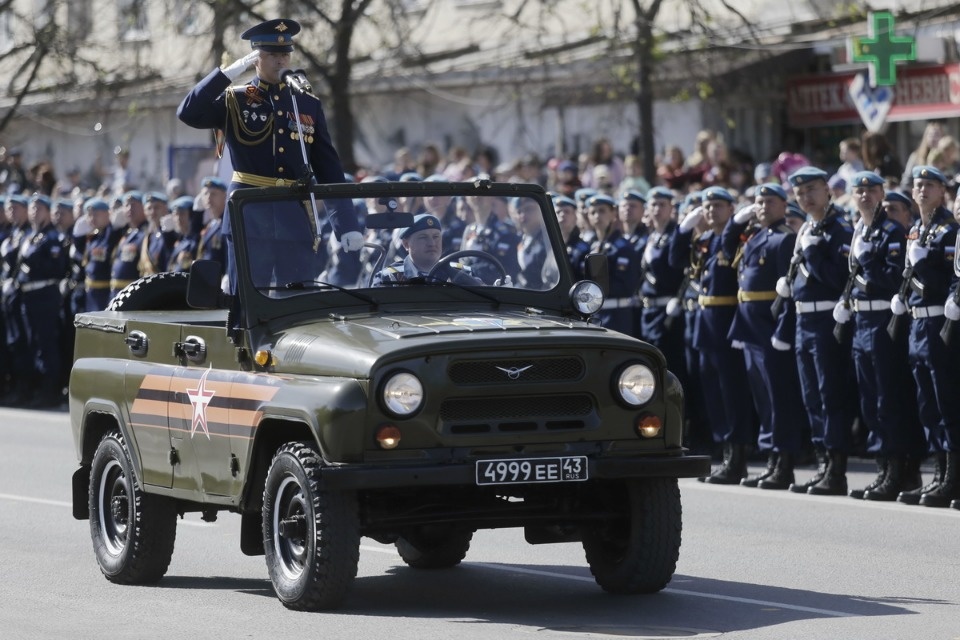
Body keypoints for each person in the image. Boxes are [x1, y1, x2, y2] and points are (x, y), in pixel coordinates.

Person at [176, 18, 362, 289]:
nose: (281, 60)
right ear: (256, 59)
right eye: (272, 54)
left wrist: (346, 224)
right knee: (249, 299)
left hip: (294, 218)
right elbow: (188, 112)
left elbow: (328, 168)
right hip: (249, 216)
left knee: (298, 298)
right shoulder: (236, 99)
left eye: (285, 54)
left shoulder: (305, 102)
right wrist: (225, 75)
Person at [832, 176, 925, 500]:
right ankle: (884, 468)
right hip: (861, 321)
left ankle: (898, 470)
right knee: (870, 401)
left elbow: (892, 278)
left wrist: (868, 259)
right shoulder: (861, 229)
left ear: (881, 194)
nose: (865, 196)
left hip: (883, 321)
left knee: (888, 399)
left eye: (872, 190)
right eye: (859, 191)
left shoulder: (891, 231)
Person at [724, 184, 807, 489]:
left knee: (778, 399)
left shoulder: (785, 238)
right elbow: (726, 249)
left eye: (770, 202)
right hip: (750, 327)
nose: (763, 207)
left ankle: (784, 463)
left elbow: (790, 292)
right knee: (763, 399)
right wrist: (736, 221)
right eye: (759, 202)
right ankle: (772, 458)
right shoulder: (757, 236)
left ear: (784, 205)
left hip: (769, 329)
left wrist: (783, 331)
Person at [779, 166, 856, 495]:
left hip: (827, 319)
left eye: (811, 189)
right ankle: (824, 464)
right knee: (811, 397)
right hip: (804, 321)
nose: (805, 197)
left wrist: (812, 252)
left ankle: (836, 471)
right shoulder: (808, 228)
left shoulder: (839, 228)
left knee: (830, 395)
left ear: (827, 189)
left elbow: (841, 278)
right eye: (799, 192)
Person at [672, 187, 754, 483]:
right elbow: (676, 260)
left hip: (726, 322)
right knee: (713, 393)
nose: (711, 211)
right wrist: (683, 230)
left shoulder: (737, 238)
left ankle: (738, 457)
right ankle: (725, 452)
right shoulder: (704, 240)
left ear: (731, 209)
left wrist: (735, 225)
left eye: (718, 205)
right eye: (708, 206)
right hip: (705, 324)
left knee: (732, 393)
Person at [889, 166, 960, 507]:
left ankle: (952, 479)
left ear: (941, 191)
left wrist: (925, 262)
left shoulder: (949, 230)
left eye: (930, 185)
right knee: (927, 405)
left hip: (938, 323)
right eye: (918, 185)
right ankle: (938, 474)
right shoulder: (917, 228)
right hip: (917, 325)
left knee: (946, 404)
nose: (922, 190)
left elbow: (947, 283)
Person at [16, 194, 68, 407]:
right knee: (33, 343)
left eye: (39, 209)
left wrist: (32, 265)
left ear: (47, 212)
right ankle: (38, 388)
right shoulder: (31, 236)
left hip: (44, 294)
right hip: (28, 295)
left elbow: (57, 268)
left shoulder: (51, 238)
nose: (35, 212)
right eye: (32, 208)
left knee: (46, 344)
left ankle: (49, 391)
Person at [372, 214, 479, 286]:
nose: (432, 243)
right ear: (406, 244)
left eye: (436, 237)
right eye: (423, 237)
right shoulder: (388, 278)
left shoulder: (463, 274)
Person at [586, 194, 638, 334]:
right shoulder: (593, 246)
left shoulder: (623, 248)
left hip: (616, 315)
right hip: (595, 314)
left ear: (614, 214)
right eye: (593, 212)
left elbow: (626, 286)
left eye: (602, 211)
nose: (597, 216)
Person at [79, 198, 120, 312]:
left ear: (108, 214)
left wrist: (112, 226)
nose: (92, 219)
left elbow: (108, 246)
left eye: (96, 215)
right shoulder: (94, 237)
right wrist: (77, 235)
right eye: (89, 215)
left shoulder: (111, 233)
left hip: (105, 291)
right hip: (91, 291)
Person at [109, 191, 149, 299]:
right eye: (126, 205)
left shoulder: (146, 233)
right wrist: (113, 228)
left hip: (134, 294)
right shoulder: (126, 233)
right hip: (116, 292)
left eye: (134, 205)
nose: (130, 209)